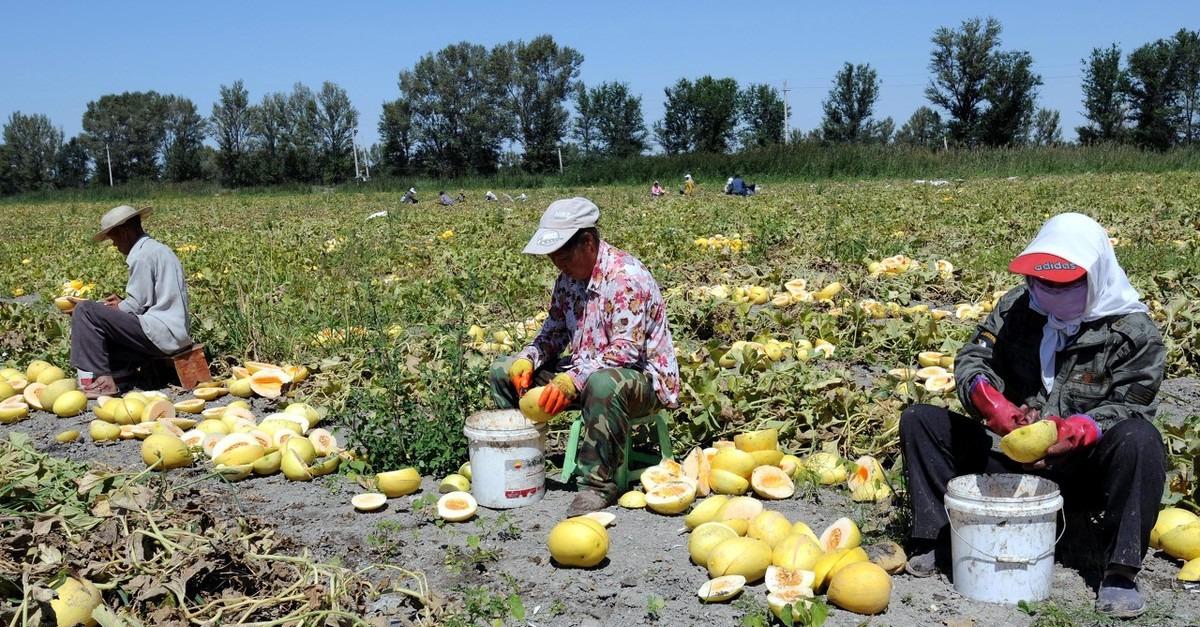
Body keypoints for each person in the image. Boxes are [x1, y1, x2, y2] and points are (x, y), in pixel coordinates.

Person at [899, 213, 1166, 618]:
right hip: (1009, 460)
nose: (1052, 292)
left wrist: (1078, 429)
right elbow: (975, 358)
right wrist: (991, 403)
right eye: (1044, 282)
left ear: (1096, 276)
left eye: (1066, 283)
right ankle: (938, 540)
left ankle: (1119, 571)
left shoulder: (1134, 333)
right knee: (920, 420)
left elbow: (1133, 404)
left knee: (1140, 439)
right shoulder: (1017, 308)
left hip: (1082, 470)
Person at [489, 197, 681, 515]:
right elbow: (553, 332)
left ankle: (598, 485)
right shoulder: (568, 279)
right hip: (585, 372)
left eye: (563, 257)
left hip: (642, 380)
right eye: (552, 258)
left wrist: (571, 382)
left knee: (602, 384)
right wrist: (528, 358)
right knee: (503, 370)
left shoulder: (625, 277)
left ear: (588, 242)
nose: (557, 265)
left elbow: (625, 352)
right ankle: (518, 464)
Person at [69, 205, 193, 398]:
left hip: (161, 333)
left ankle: (102, 381)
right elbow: (147, 299)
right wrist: (118, 305)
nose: (114, 245)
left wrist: (114, 307)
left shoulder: (141, 256)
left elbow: (135, 305)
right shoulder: (156, 249)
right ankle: (122, 372)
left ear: (125, 232)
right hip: (174, 332)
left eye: (114, 239)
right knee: (98, 315)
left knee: (85, 310)